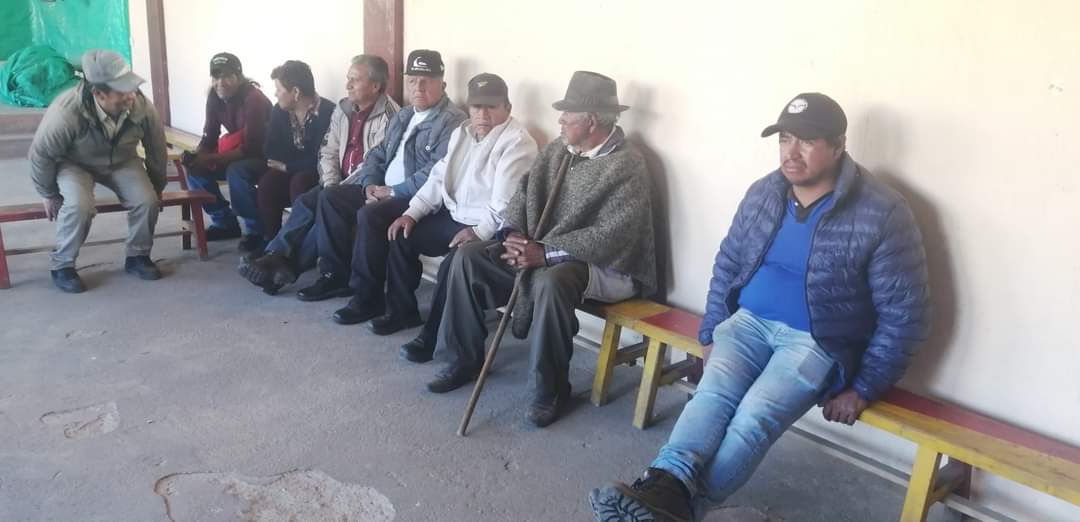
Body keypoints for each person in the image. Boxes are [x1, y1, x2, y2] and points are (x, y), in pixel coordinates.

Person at [588, 93, 931, 522]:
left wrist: (864, 387)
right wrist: (712, 328)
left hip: (816, 340)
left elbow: (905, 313)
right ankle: (666, 489)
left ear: (839, 146)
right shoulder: (765, 193)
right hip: (747, 323)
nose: (791, 152)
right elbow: (728, 262)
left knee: (755, 415)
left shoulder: (882, 212)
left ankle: (670, 501)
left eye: (807, 141)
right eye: (785, 139)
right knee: (712, 395)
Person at [424, 71, 657, 428]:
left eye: (568, 114)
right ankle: (463, 360)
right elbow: (523, 195)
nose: (560, 120)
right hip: (540, 250)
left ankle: (549, 390)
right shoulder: (558, 151)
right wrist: (513, 235)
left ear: (592, 121)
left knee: (552, 281)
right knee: (467, 257)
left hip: (607, 267)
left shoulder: (627, 164)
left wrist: (545, 254)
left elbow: (614, 235)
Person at [348, 73, 538, 345]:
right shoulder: (463, 132)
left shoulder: (517, 143)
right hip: (456, 215)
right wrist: (412, 213)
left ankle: (433, 335)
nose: (483, 115)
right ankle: (401, 312)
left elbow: (505, 204)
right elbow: (438, 177)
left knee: (455, 263)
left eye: (491, 107)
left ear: (507, 108)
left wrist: (478, 232)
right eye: (476, 107)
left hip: (491, 227)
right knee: (402, 234)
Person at [293, 49, 466, 304]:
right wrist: (370, 185)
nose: (418, 87)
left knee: (370, 214)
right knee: (330, 197)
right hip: (382, 189)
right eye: (412, 80)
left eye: (426, 81)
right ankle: (335, 276)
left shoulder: (452, 121)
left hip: (414, 197)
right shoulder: (405, 114)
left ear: (442, 84)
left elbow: (435, 172)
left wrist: (392, 191)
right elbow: (377, 154)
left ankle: (367, 296)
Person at [238, 55, 399, 292]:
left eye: (354, 80)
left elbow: (374, 164)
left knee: (325, 205)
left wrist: (335, 191)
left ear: (375, 86)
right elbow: (328, 149)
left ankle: (287, 267)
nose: (347, 85)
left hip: (367, 186)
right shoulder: (344, 108)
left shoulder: (391, 117)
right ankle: (275, 256)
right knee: (305, 202)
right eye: (348, 79)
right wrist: (331, 183)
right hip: (339, 182)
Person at [28, 49, 167, 293]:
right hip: (76, 162)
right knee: (79, 206)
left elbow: (156, 150)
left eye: (132, 86)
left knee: (147, 201)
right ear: (98, 93)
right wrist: (48, 193)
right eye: (122, 90)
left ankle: (138, 256)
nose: (131, 95)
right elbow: (41, 154)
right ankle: (62, 265)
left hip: (122, 160)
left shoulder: (142, 107)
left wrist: (157, 187)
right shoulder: (66, 112)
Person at [227, 60, 334, 254]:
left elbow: (321, 157)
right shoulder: (280, 110)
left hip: (319, 172)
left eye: (278, 89)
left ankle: (299, 245)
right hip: (291, 167)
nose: (275, 94)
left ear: (295, 92)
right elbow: (271, 149)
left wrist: (288, 166)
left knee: (300, 182)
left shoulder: (328, 113)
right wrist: (290, 164)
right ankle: (272, 243)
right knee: (268, 183)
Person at [183, 52, 272, 247]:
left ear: (239, 78)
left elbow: (252, 148)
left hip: (266, 156)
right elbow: (209, 137)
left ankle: (257, 231)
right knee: (195, 170)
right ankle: (224, 223)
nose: (220, 83)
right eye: (216, 77)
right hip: (240, 153)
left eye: (227, 77)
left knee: (236, 172)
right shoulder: (214, 96)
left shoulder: (254, 98)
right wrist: (197, 157)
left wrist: (210, 159)